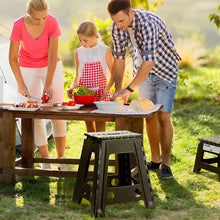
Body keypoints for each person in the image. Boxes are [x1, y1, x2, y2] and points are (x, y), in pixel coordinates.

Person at [107, 0, 181, 178]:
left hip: (165, 71)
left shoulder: (148, 23)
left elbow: (150, 61)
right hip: (143, 73)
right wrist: (118, 90)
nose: (118, 25)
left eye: (121, 21)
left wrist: (129, 89)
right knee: (149, 116)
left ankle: (166, 164)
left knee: (163, 115)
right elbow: (119, 58)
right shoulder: (117, 27)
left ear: (130, 13)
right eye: (115, 21)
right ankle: (155, 161)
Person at [9, 0, 67, 170]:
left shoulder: (52, 22)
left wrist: (48, 82)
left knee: (58, 109)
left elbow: (53, 54)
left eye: (44, 18)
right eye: (37, 19)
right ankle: (46, 160)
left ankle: (61, 159)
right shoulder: (18, 25)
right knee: (35, 112)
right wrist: (21, 84)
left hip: (51, 66)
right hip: (27, 67)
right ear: (28, 13)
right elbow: (13, 58)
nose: (41, 22)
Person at [67, 20, 114, 132]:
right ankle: (92, 147)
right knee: (89, 128)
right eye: (80, 40)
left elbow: (114, 73)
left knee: (100, 128)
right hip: (85, 96)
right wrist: (73, 88)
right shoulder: (78, 52)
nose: (82, 43)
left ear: (95, 36)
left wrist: (107, 89)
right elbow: (78, 75)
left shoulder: (104, 50)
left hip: (101, 95)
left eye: (85, 40)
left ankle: (101, 148)